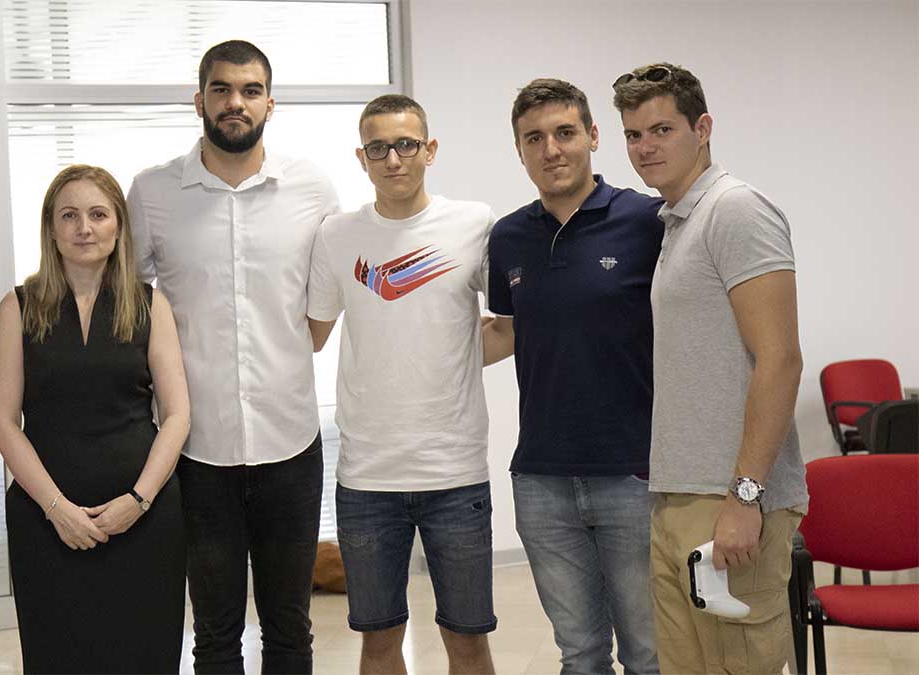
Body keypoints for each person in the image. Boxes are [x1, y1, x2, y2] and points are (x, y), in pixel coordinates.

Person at [127, 40, 340, 674]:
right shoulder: (154, 192)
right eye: (221, 89)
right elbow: (129, 307)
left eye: (250, 90)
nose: (235, 102)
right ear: (199, 100)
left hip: (291, 442)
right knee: (215, 632)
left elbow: (321, 311)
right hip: (197, 449)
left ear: (271, 103)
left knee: (289, 628)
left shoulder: (312, 188)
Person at [612, 63, 807, 674]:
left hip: (731, 499)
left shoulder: (736, 210)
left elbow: (781, 359)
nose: (645, 147)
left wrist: (745, 497)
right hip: (678, 495)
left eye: (662, 130)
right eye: (633, 134)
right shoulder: (678, 222)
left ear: (702, 128)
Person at [308, 94, 497, 675]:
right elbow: (311, 334)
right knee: (378, 644)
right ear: (361, 157)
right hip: (368, 478)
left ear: (429, 150)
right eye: (378, 148)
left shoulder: (474, 224)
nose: (393, 159)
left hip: (455, 473)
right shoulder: (337, 235)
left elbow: (513, 327)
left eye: (406, 145)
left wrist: (449, 355)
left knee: (468, 643)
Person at [483, 79, 662, 675]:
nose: (551, 149)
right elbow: (506, 332)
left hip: (634, 472)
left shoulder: (647, 221)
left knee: (648, 654)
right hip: (542, 478)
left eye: (564, 133)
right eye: (534, 138)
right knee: (580, 654)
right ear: (519, 149)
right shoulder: (509, 237)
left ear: (592, 136)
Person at [0, 164, 189, 674]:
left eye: (98, 215)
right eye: (69, 216)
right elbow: (3, 421)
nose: (84, 228)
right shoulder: (18, 306)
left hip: (144, 519)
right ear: (51, 227)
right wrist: (57, 509)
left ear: (118, 225)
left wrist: (138, 501)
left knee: (144, 658)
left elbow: (177, 415)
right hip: (45, 520)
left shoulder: (150, 304)